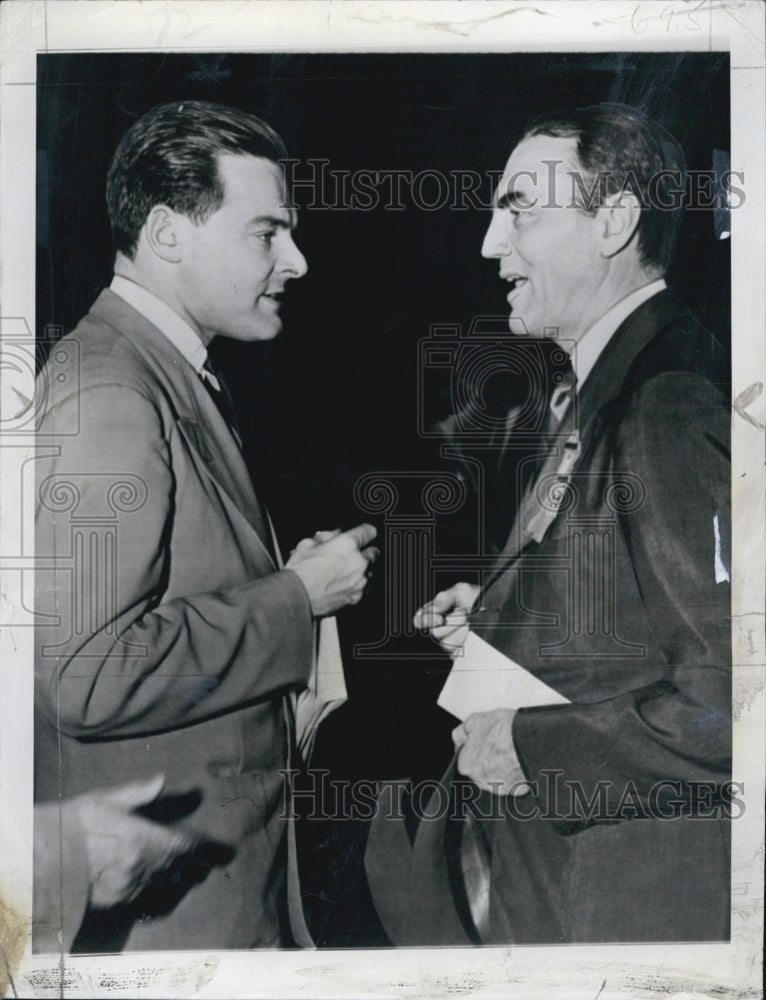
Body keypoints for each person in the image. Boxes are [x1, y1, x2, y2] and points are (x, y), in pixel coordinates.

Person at [366, 103, 731, 944]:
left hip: (631, 903)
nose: (492, 245)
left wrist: (537, 750)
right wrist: (504, 619)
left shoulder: (667, 403)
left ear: (614, 221)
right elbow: (641, 619)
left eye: (520, 210)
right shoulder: (618, 378)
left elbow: (732, 699)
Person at [34, 100, 377, 952]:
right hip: (168, 921)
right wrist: (294, 599)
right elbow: (85, 675)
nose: (296, 260)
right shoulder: (112, 390)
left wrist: (278, 586)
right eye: (267, 232)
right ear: (167, 233)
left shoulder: (160, 370)